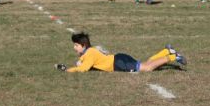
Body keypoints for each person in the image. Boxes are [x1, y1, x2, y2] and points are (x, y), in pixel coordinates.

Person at [56, 32, 186, 73]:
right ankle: (166, 50)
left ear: (83, 45)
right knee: (145, 64)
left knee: (147, 68)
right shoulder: (89, 51)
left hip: (119, 63)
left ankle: (173, 56)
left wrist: (68, 70)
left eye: (76, 45)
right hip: (119, 59)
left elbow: (84, 69)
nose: (74, 48)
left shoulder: (89, 54)